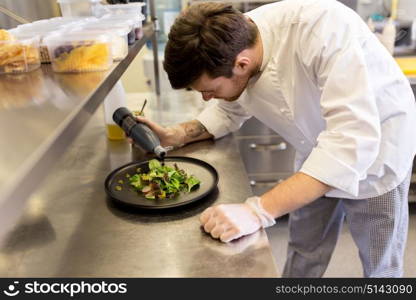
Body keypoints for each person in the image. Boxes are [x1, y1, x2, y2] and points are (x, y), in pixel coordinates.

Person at [136, 0, 416, 277]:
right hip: (316, 146)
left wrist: (256, 211)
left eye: (208, 90)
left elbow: (350, 143)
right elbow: (228, 106)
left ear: (242, 64)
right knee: (304, 248)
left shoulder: (322, 29)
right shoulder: (236, 43)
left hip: (379, 151)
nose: (206, 98)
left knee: (381, 266)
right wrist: (178, 134)